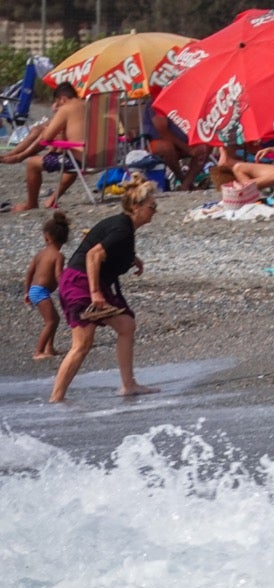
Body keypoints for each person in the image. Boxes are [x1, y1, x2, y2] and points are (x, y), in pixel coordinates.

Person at [49, 174, 161, 402]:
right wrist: (95, 293)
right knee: (82, 344)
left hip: (85, 280)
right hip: (80, 283)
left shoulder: (122, 227)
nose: (155, 211)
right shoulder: (122, 229)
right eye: (152, 206)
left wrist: (131, 258)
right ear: (137, 207)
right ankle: (56, 398)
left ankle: (128, 385)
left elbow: (101, 245)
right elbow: (93, 254)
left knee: (126, 325)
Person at [10, 82, 85, 212]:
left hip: (79, 161)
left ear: (62, 99)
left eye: (58, 102)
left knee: (32, 163)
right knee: (72, 157)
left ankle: (31, 203)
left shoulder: (66, 108)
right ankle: (53, 198)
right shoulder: (91, 105)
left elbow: (46, 138)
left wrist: (47, 128)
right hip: (101, 158)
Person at [23, 211, 70, 359]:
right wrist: (65, 289)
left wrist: (26, 292)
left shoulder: (40, 254)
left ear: (46, 237)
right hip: (41, 291)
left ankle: (49, 348)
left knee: (53, 319)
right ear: (64, 240)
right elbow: (58, 275)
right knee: (51, 321)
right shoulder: (58, 256)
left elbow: (29, 273)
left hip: (34, 290)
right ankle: (38, 351)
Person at [144, 106, 212, 191]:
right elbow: (163, 133)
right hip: (158, 142)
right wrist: (188, 149)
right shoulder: (156, 103)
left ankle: (187, 183)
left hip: (186, 141)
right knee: (167, 147)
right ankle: (182, 179)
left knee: (206, 144)